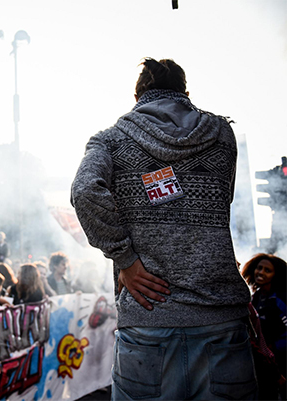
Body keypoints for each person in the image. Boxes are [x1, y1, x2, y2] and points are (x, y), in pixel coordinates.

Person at [71, 58, 255, 400]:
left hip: (149, 317)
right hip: (220, 318)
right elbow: (222, 200)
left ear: (138, 94)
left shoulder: (109, 141)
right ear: (185, 92)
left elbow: (84, 191)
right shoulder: (221, 133)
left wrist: (125, 259)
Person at [241, 254, 287, 390]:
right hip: (266, 361)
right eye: (259, 268)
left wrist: (275, 348)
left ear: (276, 275)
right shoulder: (255, 298)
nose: (261, 272)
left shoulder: (281, 299)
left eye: (267, 270)